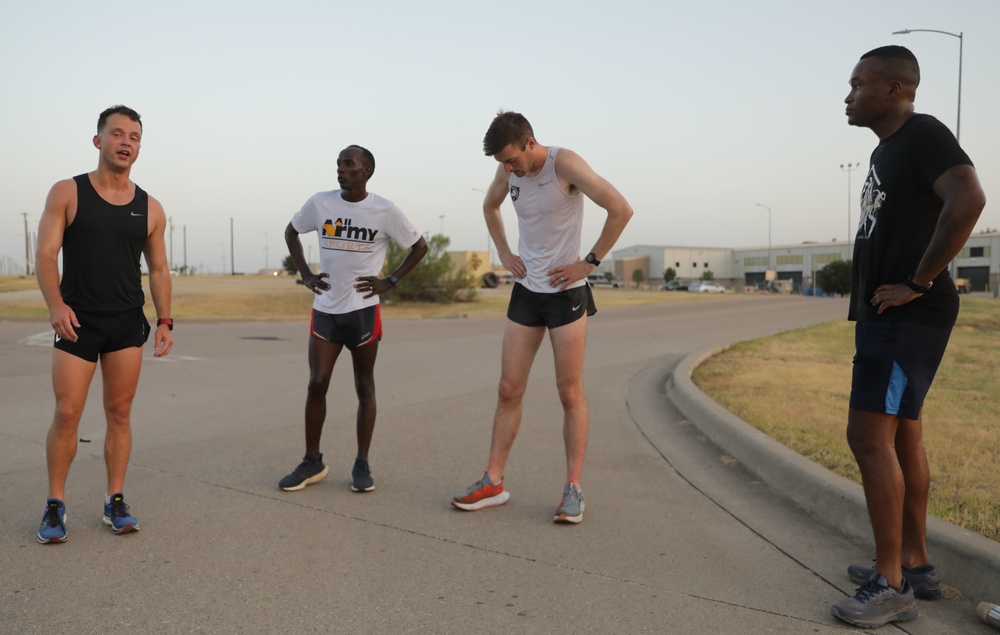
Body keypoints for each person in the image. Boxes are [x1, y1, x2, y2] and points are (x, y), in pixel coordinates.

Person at [831, 46, 986, 628]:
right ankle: (913, 564)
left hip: (905, 319)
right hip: (890, 317)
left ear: (894, 89)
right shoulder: (887, 148)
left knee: (868, 437)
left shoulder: (922, 133)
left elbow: (968, 198)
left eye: (857, 84)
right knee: (902, 438)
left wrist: (917, 282)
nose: (848, 96)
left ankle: (890, 585)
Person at [451, 111, 633, 524]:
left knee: (569, 392)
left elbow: (620, 209)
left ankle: (573, 489)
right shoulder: (508, 171)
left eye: (512, 159)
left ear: (530, 143)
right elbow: (490, 206)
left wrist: (589, 263)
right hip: (526, 291)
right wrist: (504, 253)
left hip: (566, 294)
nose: (508, 168)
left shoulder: (564, 164)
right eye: (502, 163)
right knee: (508, 388)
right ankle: (493, 482)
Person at [35, 105, 174, 544]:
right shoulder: (68, 192)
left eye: (134, 136)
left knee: (119, 412)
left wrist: (165, 320)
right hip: (77, 321)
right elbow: (44, 254)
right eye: (117, 133)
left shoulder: (150, 207)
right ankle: (55, 504)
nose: (126, 141)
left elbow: (158, 270)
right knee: (67, 413)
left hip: (126, 323)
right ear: (99, 141)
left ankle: (115, 499)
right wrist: (55, 304)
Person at [281, 145, 427, 494]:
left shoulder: (385, 210)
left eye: (348, 164)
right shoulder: (320, 203)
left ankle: (362, 463)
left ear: (367, 171)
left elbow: (420, 247)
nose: (340, 170)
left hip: (363, 311)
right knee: (317, 382)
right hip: (326, 310)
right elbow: (291, 232)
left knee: (364, 386)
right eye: (338, 164)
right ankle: (312, 461)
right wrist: (305, 274)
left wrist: (390, 280)